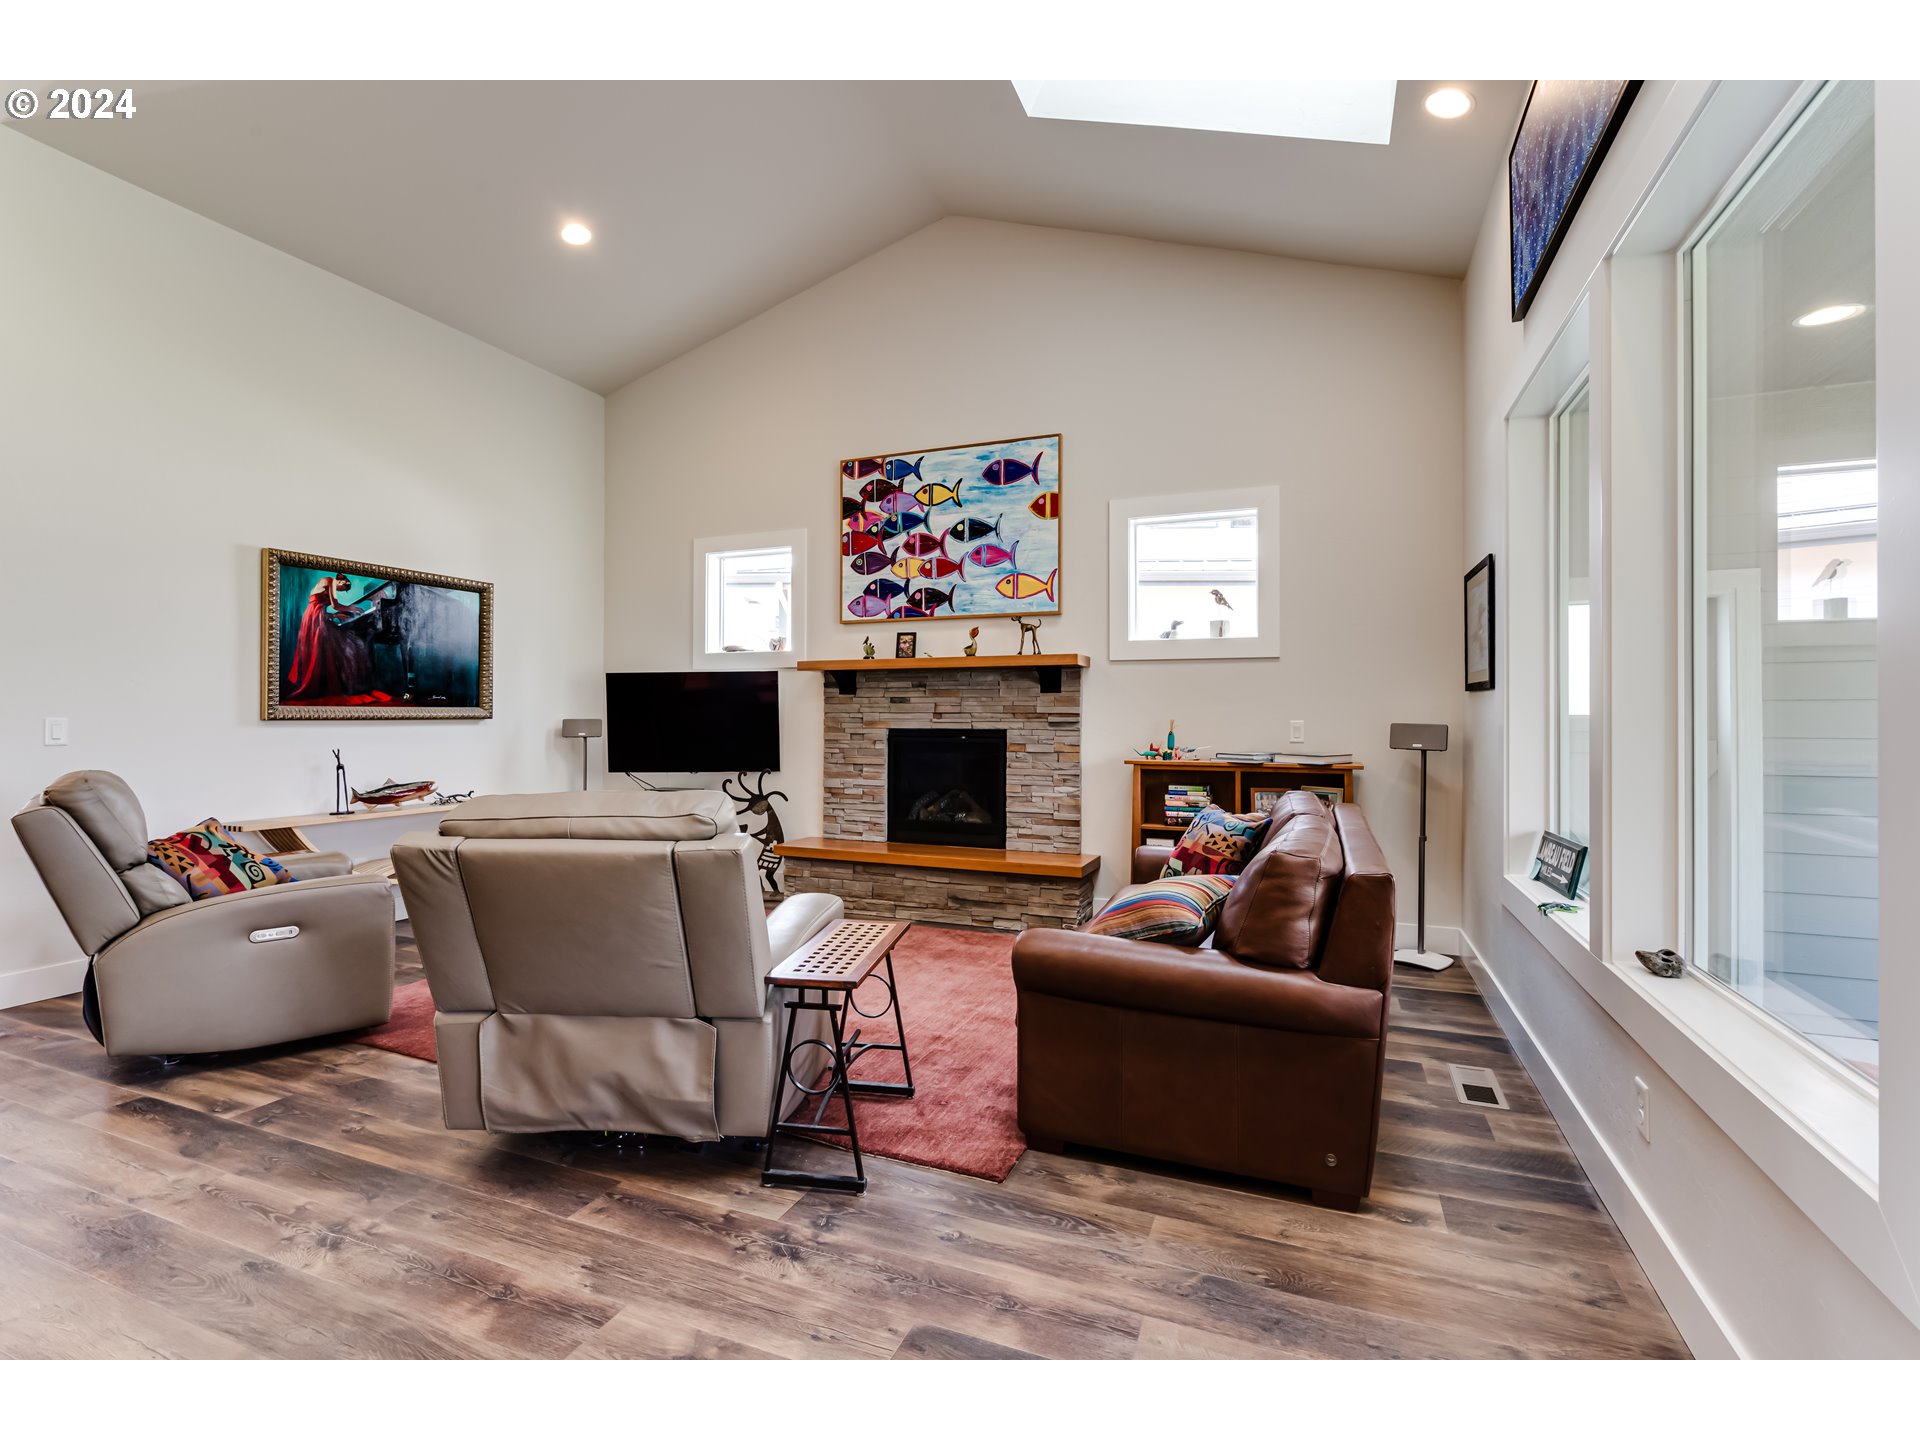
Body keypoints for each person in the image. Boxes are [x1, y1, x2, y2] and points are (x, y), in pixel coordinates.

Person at [285, 572, 374, 702]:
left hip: (311, 616)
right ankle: (353, 684)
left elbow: (316, 607)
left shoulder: (320, 583)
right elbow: (335, 605)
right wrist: (353, 608)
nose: (339, 591)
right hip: (317, 617)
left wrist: (335, 616)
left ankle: (327, 684)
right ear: (342, 582)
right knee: (349, 643)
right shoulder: (331, 580)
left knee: (321, 648)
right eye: (342, 589)